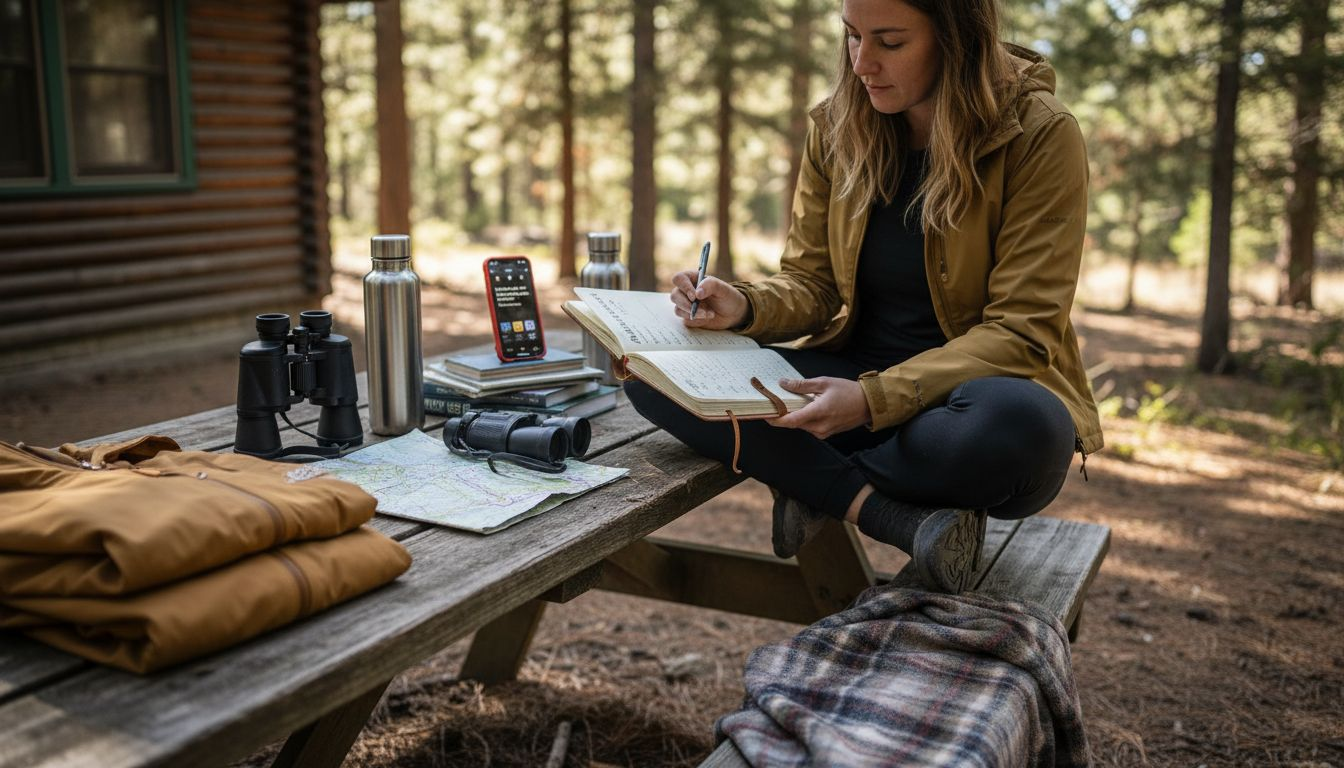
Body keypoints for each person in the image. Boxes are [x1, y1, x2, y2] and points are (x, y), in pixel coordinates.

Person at [624, 0, 1103, 594]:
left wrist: (873, 401)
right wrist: (745, 305)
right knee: (656, 378)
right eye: (852, 37)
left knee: (1018, 430)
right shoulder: (836, 126)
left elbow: (1022, 332)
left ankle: (811, 481)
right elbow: (812, 282)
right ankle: (883, 513)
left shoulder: (1039, 132)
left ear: (957, 39)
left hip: (967, 402)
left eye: (890, 42)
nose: (862, 64)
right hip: (851, 379)